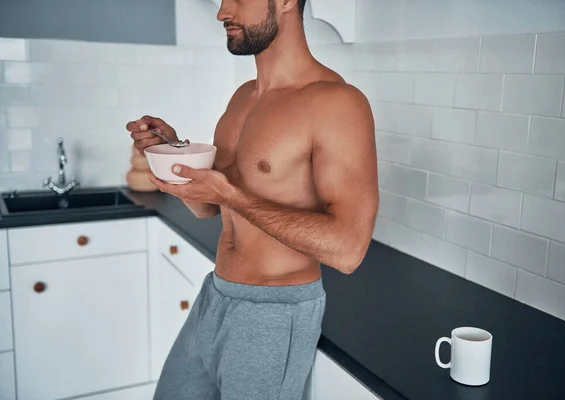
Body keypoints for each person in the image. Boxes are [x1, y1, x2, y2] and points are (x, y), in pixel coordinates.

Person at [126, 0, 378, 398]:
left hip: (274, 315)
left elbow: (349, 249)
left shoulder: (337, 103)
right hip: (216, 294)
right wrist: (170, 157)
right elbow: (210, 207)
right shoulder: (243, 97)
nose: (222, 12)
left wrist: (236, 198)